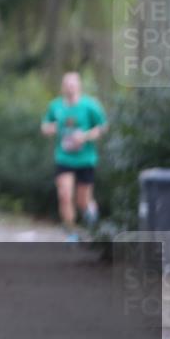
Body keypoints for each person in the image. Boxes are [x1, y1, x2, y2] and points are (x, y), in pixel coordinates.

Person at [40, 72, 108, 242]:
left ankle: (91, 214)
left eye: (73, 84)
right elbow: (45, 125)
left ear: (79, 86)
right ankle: (71, 232)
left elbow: (103, 127)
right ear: (63, 87)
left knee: (82, 200)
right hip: (64, 158)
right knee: (64, 194)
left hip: (86, 159)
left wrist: (84, 136)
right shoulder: (55, 106)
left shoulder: (90, 105)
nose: (70, 88)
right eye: (67, 84)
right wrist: (49, 129)